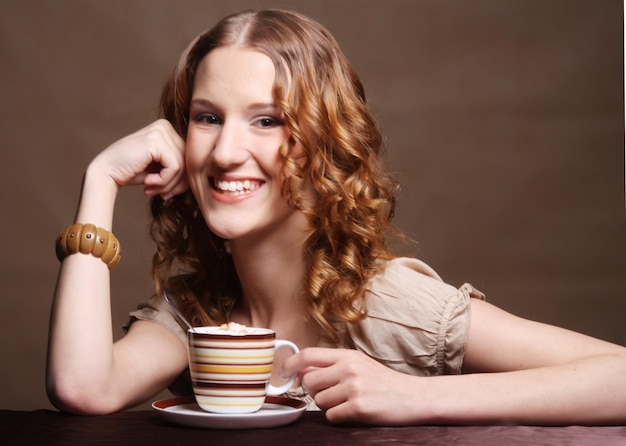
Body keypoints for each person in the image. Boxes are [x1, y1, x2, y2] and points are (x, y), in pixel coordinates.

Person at [47, 9, 626, 425]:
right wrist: (100, 179)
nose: (225, 153)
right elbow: (83, 388)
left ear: (325, 140)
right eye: (207, 118)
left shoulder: (386, 304)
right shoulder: (196, 312)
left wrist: (412, 397)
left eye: (268, 120)